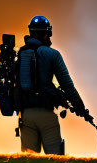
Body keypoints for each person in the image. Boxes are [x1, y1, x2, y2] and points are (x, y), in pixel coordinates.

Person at [17, 15, 90, 154]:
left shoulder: (20, 54)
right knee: (55, 162)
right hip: (46, 116)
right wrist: (81, 108)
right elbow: (67, 85)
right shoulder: (52, 54)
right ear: (47, 33)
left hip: (25, 116)